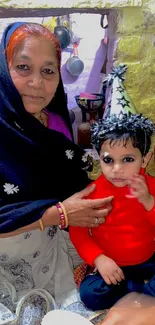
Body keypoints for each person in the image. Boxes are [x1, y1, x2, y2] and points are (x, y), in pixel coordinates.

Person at [0, 22, 113, 324]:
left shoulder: (56, 124)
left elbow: (72, 187)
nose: (37, 82)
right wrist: (58, 214)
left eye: (48, 71)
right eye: (23, 67)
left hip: (56, 257)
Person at [69, 112, 155, 311]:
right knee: (90, 295)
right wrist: (99, 258)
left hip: (148, 260)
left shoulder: (151, 187)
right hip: (112, 265)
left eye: (127, 159)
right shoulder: (93, 193)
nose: (117, 169)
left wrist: (149, 202)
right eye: (108, 160)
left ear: (145, 159)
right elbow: (78, 232)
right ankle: (137, 291)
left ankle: (136, 292)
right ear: (98, 157)